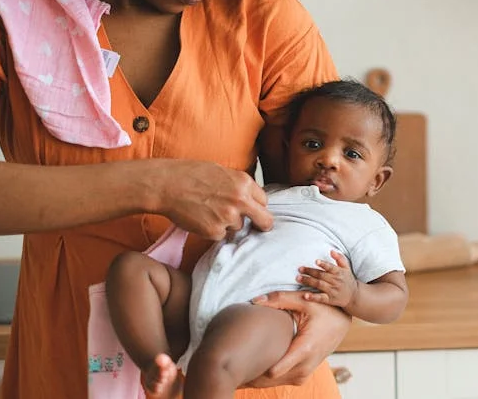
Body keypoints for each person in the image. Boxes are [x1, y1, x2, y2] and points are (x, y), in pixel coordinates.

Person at [0, 0, 356, 397]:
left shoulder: (263, 14)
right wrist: (155, 185)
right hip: (72, 365)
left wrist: (336, 310)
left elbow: (323, 205)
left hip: (251, 371)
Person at [106, 80, 409, 398]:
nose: (328, 159)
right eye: (312, 144)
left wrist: (353, 294)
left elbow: (395, 298)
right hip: (201, 294)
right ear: (288, 148)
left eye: (351, 153)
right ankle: (156, 365)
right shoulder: (265, 194)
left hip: (267, 312)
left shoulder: (364, 224)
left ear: (377, 180)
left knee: (216, 361)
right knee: (131, 269)